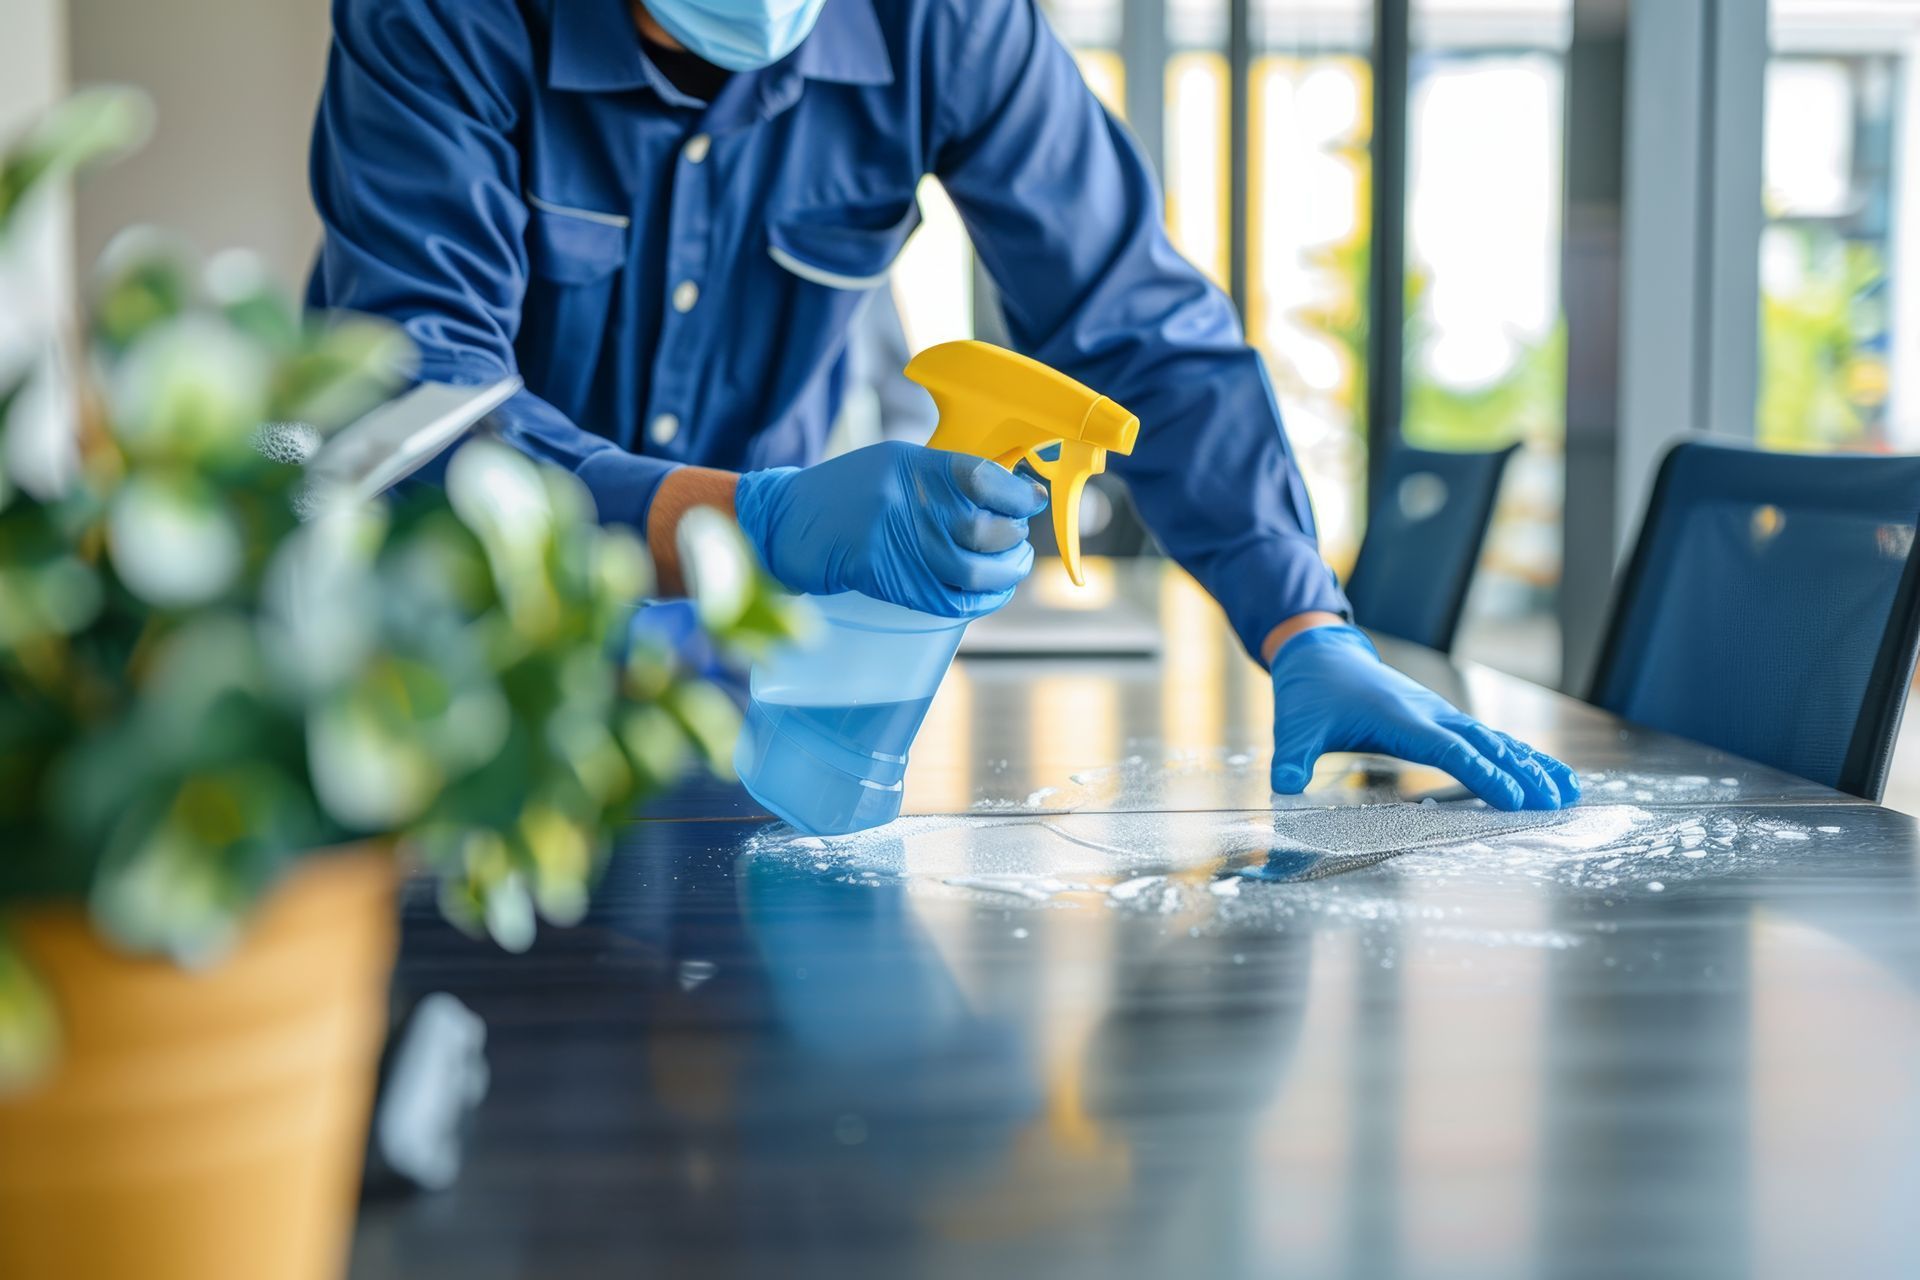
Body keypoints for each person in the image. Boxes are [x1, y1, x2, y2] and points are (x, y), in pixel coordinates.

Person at [307, 0, 1579, 811]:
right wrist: (750, 518)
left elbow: (1141, 322)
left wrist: (1306, 621)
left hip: (751, 687)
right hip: (445, 674)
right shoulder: (439, 17)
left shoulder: (945, 21)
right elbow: (417, 409)